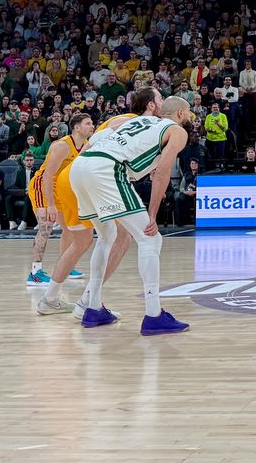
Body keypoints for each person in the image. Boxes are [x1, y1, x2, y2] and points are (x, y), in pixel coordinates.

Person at [69, 96, 193, 335]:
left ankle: (93, 309)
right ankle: (154, 315)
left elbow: (96, 138)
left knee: (107, 236)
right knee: (151, 239)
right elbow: (162, 173)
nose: (189, 118)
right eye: (188, 114)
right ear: (179, 114)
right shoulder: (177, 131)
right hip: (106, 169)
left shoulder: (137, 121)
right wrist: (152, 215)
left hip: (81, 166)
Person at [36, 90, 159, 317]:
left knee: (81, 241)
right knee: (121, 236)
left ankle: (50, 298)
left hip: (74, 178)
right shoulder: (135, 122)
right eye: (160, 99)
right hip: (88, 177)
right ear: (151, 106)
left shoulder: (121, 121)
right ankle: (89, 301)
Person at [25, 113, 94, 286]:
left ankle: (66, 267)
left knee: (70, 229)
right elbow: (48, 175)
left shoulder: (86, 145)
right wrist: (50, 205)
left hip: (63, 187)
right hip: (43, 185)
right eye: (88, 123)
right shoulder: (62, 145)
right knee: (46, 226)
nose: (92, 126)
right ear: (77, 127)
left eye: (92, 123)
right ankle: (35, 273)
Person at [175, 158, 199, 225]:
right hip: (187, 193)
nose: (194, 165)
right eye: (192, 163)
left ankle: (195, 221)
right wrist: (186, 192)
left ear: (198, 165)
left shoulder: (201, 175)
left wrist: (195, 192)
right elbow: (181, 187)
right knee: (179, 199)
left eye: (195, 163)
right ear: (190, 165)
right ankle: (180, 222)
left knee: (196, 200)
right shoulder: (186, 175)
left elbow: (203, 188)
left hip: (197, 193)